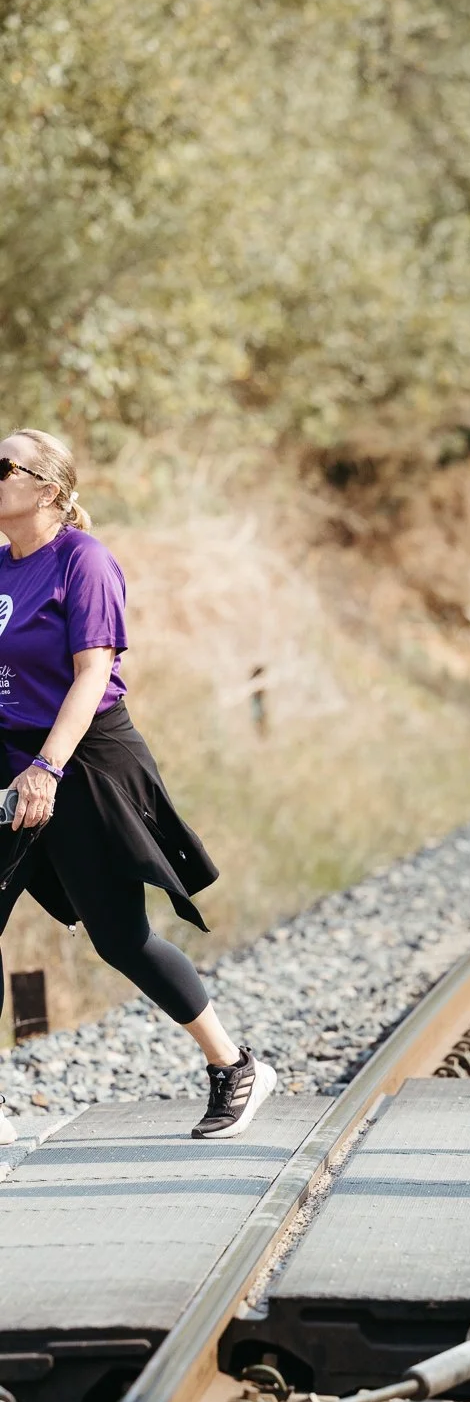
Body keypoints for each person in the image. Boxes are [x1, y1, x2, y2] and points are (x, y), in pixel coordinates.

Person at [0, 427, 276, 1140]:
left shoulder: (83, 562)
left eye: (5, 465)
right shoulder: (1, 567)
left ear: (48, 489)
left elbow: (92, 674)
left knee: (120, 937)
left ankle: (233, 1064)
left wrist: (48, 769)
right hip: (11, 758)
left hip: (83, 761)